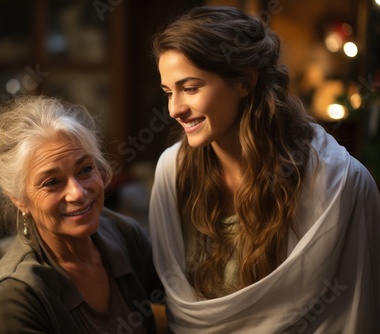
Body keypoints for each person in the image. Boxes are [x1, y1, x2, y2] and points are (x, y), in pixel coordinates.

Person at [148, 6, 380, 333]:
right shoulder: (171, 174)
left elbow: (353, 314)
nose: (174, 109)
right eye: (168, 92)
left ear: (244, 80)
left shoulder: (338, 184)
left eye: (190, 88)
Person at [0, 95, 163, 333]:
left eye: (85, 169)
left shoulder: (124, 233)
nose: (77, 193)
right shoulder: (15, 296)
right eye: (52, 182)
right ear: (18, 199)